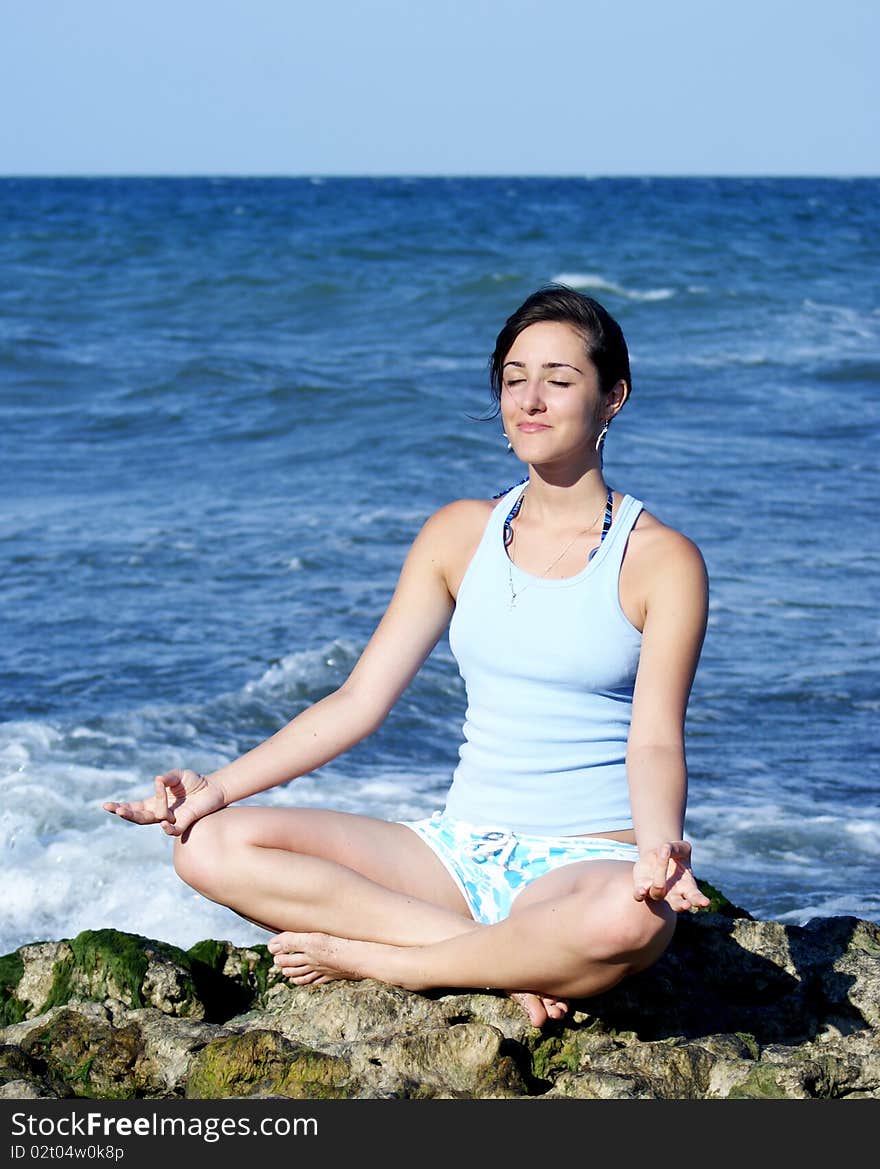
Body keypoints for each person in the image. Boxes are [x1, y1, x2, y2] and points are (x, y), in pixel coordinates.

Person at [104, 284, 710, 1028]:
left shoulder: (660, 559)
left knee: (636, 920)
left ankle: (385, 959)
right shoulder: (459, 534)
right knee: (207, 847)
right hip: (452, 853)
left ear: (613, 397)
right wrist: (215, 789)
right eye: (514, 379)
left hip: (582, 863)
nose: (531, 400)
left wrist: (656, 851)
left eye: (559, 380)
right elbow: (359, 700)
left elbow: (653, 739)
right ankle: (498, 958)